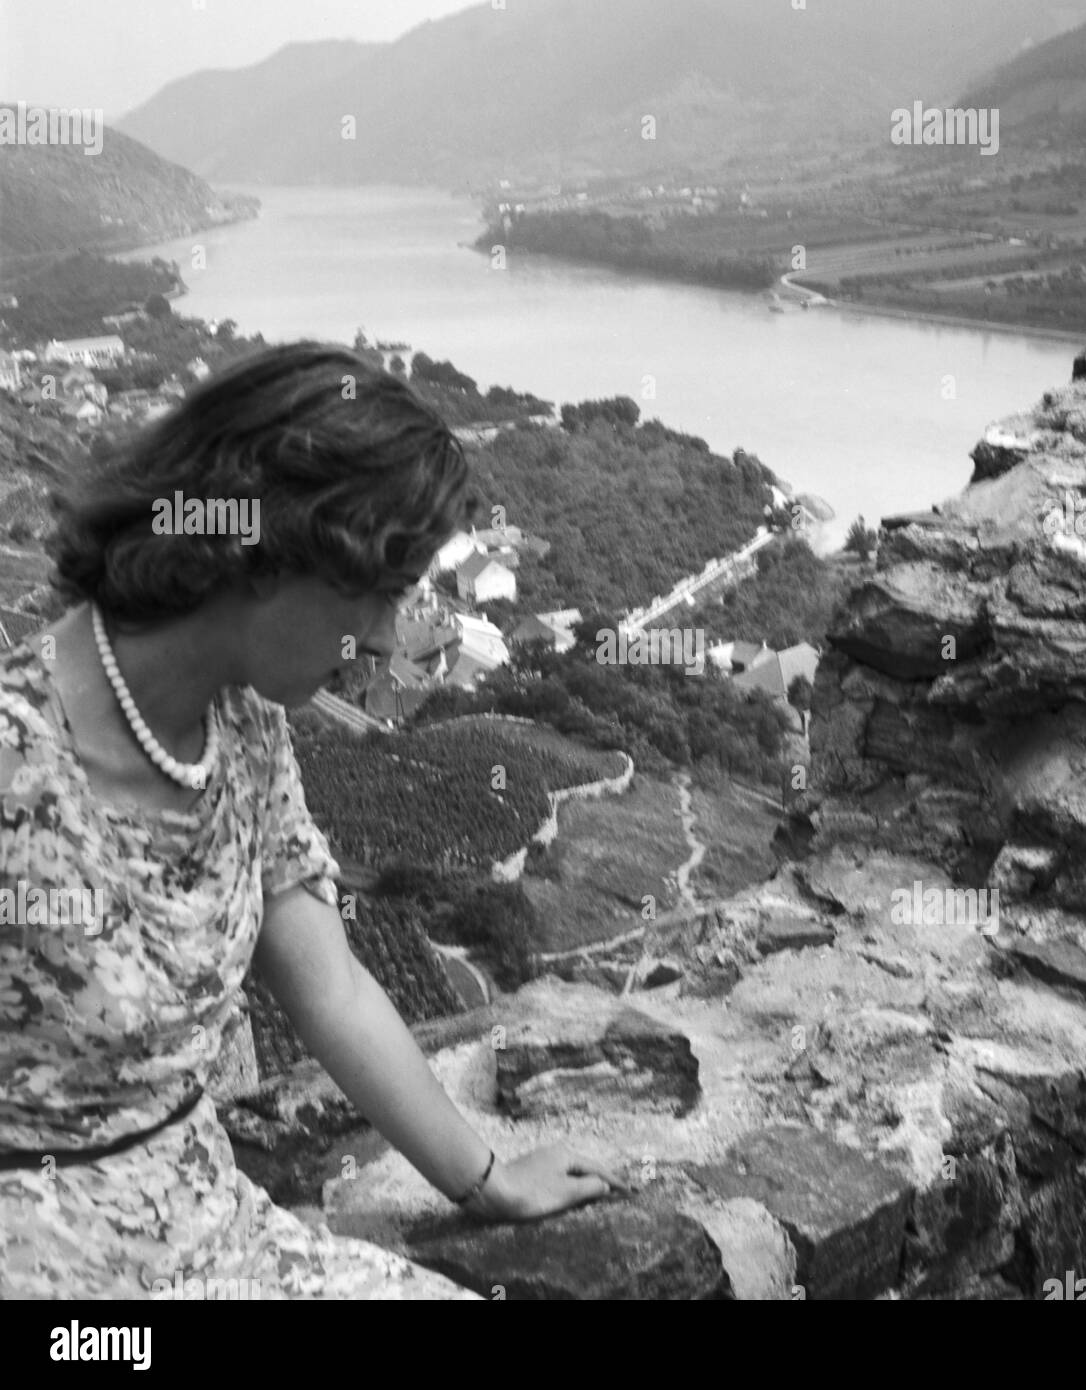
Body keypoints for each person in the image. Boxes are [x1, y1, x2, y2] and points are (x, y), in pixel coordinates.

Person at [0, 342, 623, 1299]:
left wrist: (485, 1178)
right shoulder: (16, 754)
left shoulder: (244, 730)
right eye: (377, 587)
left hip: (216, 1240)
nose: (382, 634)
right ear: (260, 555)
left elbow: (327, 987)